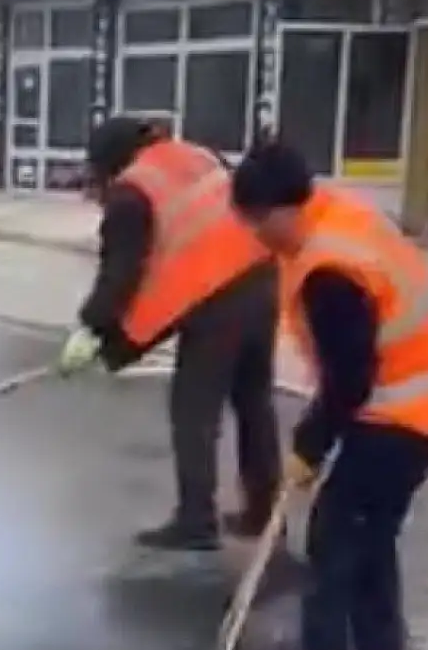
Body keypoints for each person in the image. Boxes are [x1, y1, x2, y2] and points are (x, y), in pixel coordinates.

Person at [230, 140, 428, 650]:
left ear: (283, 209)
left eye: (257, 222)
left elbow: (349, 379)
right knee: (368, 535)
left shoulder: (330, 269)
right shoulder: (333, 220)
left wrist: (309, 446)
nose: (255, 235)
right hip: (425, 397)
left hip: (410, 410)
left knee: (337, 529)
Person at [58, 117, 283, 552]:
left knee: (193, 412)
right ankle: (263, 513)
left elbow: (121, 275)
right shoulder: (197, 155)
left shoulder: (131, 191)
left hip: (217, 298)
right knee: (255, 403)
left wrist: (92, 328)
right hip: (262, 278)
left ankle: (196, 520)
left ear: (110, 163)